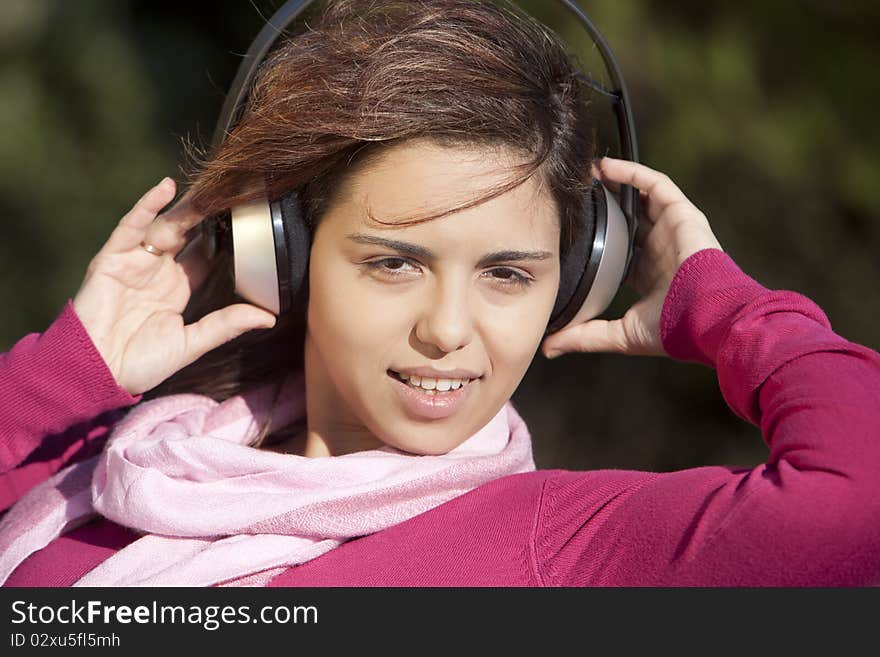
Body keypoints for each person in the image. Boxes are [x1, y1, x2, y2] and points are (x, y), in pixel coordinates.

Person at [1, 0, 878, 587]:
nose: (449, 330)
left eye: (508, 274)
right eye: (395, 263)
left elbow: (857, 498)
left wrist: (726, 309)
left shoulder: (557, 546)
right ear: (286, 258)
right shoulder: (114, 465)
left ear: (578, 283)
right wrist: (69, 372)